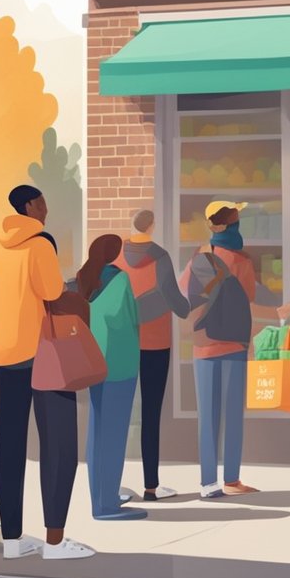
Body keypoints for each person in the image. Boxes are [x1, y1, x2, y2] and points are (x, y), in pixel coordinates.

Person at [0, 185, 93, 560]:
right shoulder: (39, 244)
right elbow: (51, 291)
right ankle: (54, 541)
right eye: (43, 203)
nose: (46, 209)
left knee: (11, 444)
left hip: (6, 351)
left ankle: (13, 541)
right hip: (43, 353)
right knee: (59, 444)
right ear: (30, 205)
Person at [180, 200, 290, 500]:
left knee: (207, 417)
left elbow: (182, 295)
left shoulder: (199, 256)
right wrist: (279, 313)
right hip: (233, 344)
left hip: (203, 346)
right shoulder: (241, 262)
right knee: (232, 415)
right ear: (232, 225)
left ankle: (208, 484)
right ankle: (231, 479)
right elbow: (248, 303)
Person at [112, 209, 189, 502]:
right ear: (152, 226)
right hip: (155, 343)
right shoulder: (160, 257)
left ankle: (114, 484)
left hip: (123, 343)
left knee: (118, 415)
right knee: (150, 414)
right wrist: (190, 302)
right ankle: (151, 486)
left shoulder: (115, 256)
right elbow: (177, 304)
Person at [76, 234, 147, 521]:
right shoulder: (119, 280)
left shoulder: (82, 278)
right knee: (114, 436)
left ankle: (101, 495)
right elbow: (126, 319)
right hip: (119, 363)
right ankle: (106, 505)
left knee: (97, 432)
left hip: (93, 362)